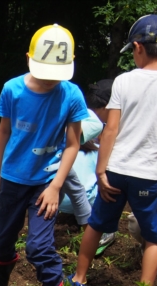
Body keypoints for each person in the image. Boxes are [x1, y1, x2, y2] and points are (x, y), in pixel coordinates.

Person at [0, 24, 88, 286]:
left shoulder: (71, 94)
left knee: (38, 247)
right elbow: (4, 131)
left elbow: (74, 143)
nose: (51, 78)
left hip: (47, 182)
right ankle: (0, 278)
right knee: (0, 241)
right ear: (28, 59)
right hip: (13, 178)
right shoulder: (12, 89)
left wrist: (56, 186)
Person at [68, 14, 157, 286]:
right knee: (155, 235)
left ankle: (78, 280)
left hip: (116, 170)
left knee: (97, 223)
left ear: (138, 47)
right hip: (149, 175)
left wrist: (101, 170)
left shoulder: (124, 81)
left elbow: (110, 130)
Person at [59, 79, 117, 254]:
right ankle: (103, 232)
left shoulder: (72, 115)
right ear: (109, 106)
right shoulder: (96, 123)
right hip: (83, 202)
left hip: (55, 199)